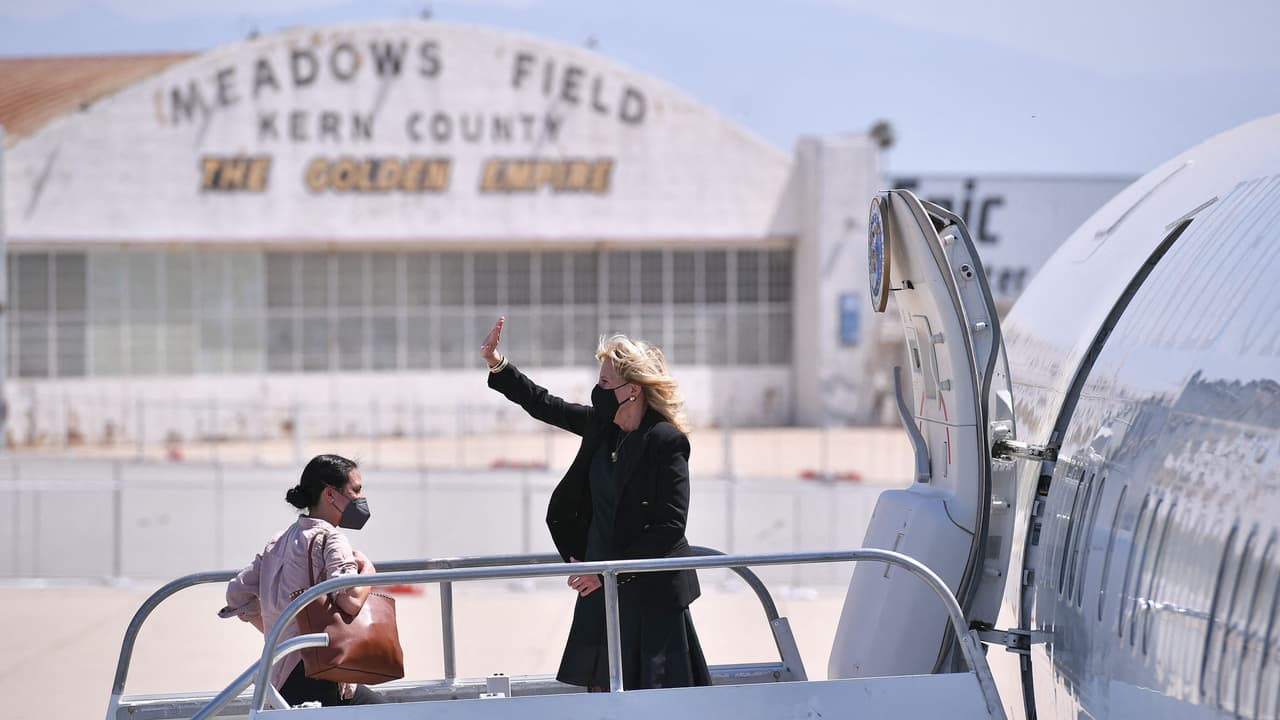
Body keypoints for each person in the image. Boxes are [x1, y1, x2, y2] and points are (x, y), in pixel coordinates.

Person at [481, 316, 711, 691]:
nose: (597, 388)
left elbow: (669, 528)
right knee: (602, 695)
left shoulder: (665, 441)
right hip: (601, 586)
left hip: (648, 594)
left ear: (632, 389)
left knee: (659, 701)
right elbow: (544, 404)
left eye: (605, 382)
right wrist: (496, 363)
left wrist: (609, 571)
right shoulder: (601, 427)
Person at [219, 454, 386, 707]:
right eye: (356, 490)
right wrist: (369, 571)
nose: (360, 499)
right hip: (321, 671)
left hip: (282, 675)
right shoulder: (332, 538)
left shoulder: (279, 540)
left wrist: (279, 634)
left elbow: (236, 593)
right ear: (330, 495)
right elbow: (351, 599)